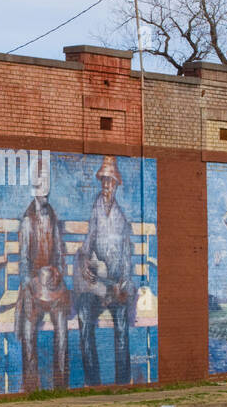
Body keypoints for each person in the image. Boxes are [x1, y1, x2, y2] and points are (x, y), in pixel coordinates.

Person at [75, 156, 136, 385]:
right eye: (103, 181)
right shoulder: (96, 208)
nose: (106, 186)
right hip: (96, 286)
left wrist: (125, 283)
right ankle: (93, 383)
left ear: (116, 184)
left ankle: (122, 383)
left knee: (121, 326)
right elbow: (89, 239)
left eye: (109, 182)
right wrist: (83, 262)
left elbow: (127, 256)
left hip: (115, 285)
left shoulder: (121, 218)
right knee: (83, 316)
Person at [14, 157, 72, 390]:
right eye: (40, 184)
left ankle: (60, 386)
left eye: (47, 183)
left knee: (63, 332)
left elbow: (59, 254)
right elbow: (24, 266)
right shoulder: (27, 221)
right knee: (28, 334)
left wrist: (57, 272)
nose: (44, 189)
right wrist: (35, 282)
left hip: (54, 289)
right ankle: (31, 389)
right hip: (33, 289)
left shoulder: (53, 218)